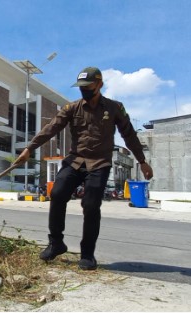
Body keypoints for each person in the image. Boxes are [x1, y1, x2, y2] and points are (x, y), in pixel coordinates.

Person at [13, 67, 154, 270]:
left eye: (87, 86)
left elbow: (129, 135)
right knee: (58, 193)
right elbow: (50, 128)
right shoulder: (72, 108)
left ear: (99, 85)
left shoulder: (115, 108)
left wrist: (141, 160)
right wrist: (29, 149)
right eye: (81, 87)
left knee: (90, 205)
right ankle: (56, 243)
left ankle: (87, 254)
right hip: (75, 160)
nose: (84, 90)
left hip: (99, 163)